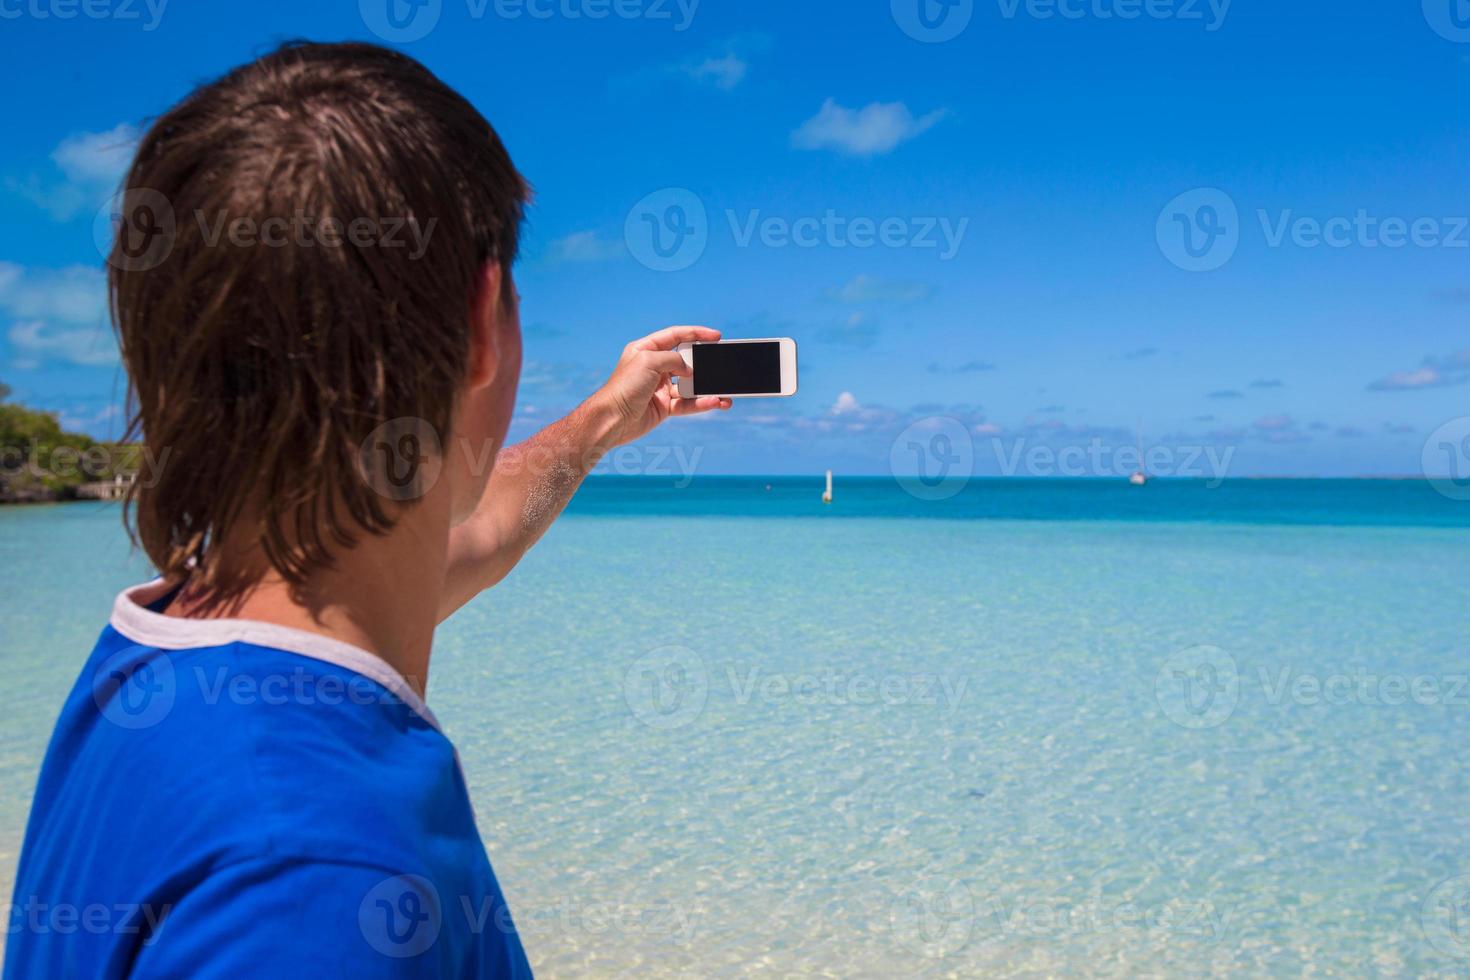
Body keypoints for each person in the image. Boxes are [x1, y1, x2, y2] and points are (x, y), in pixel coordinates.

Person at [3, 41, 729, 979]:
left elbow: (471, 541)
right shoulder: (319, 881)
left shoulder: (161, 653)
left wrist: (597, 423)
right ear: (483, 318)